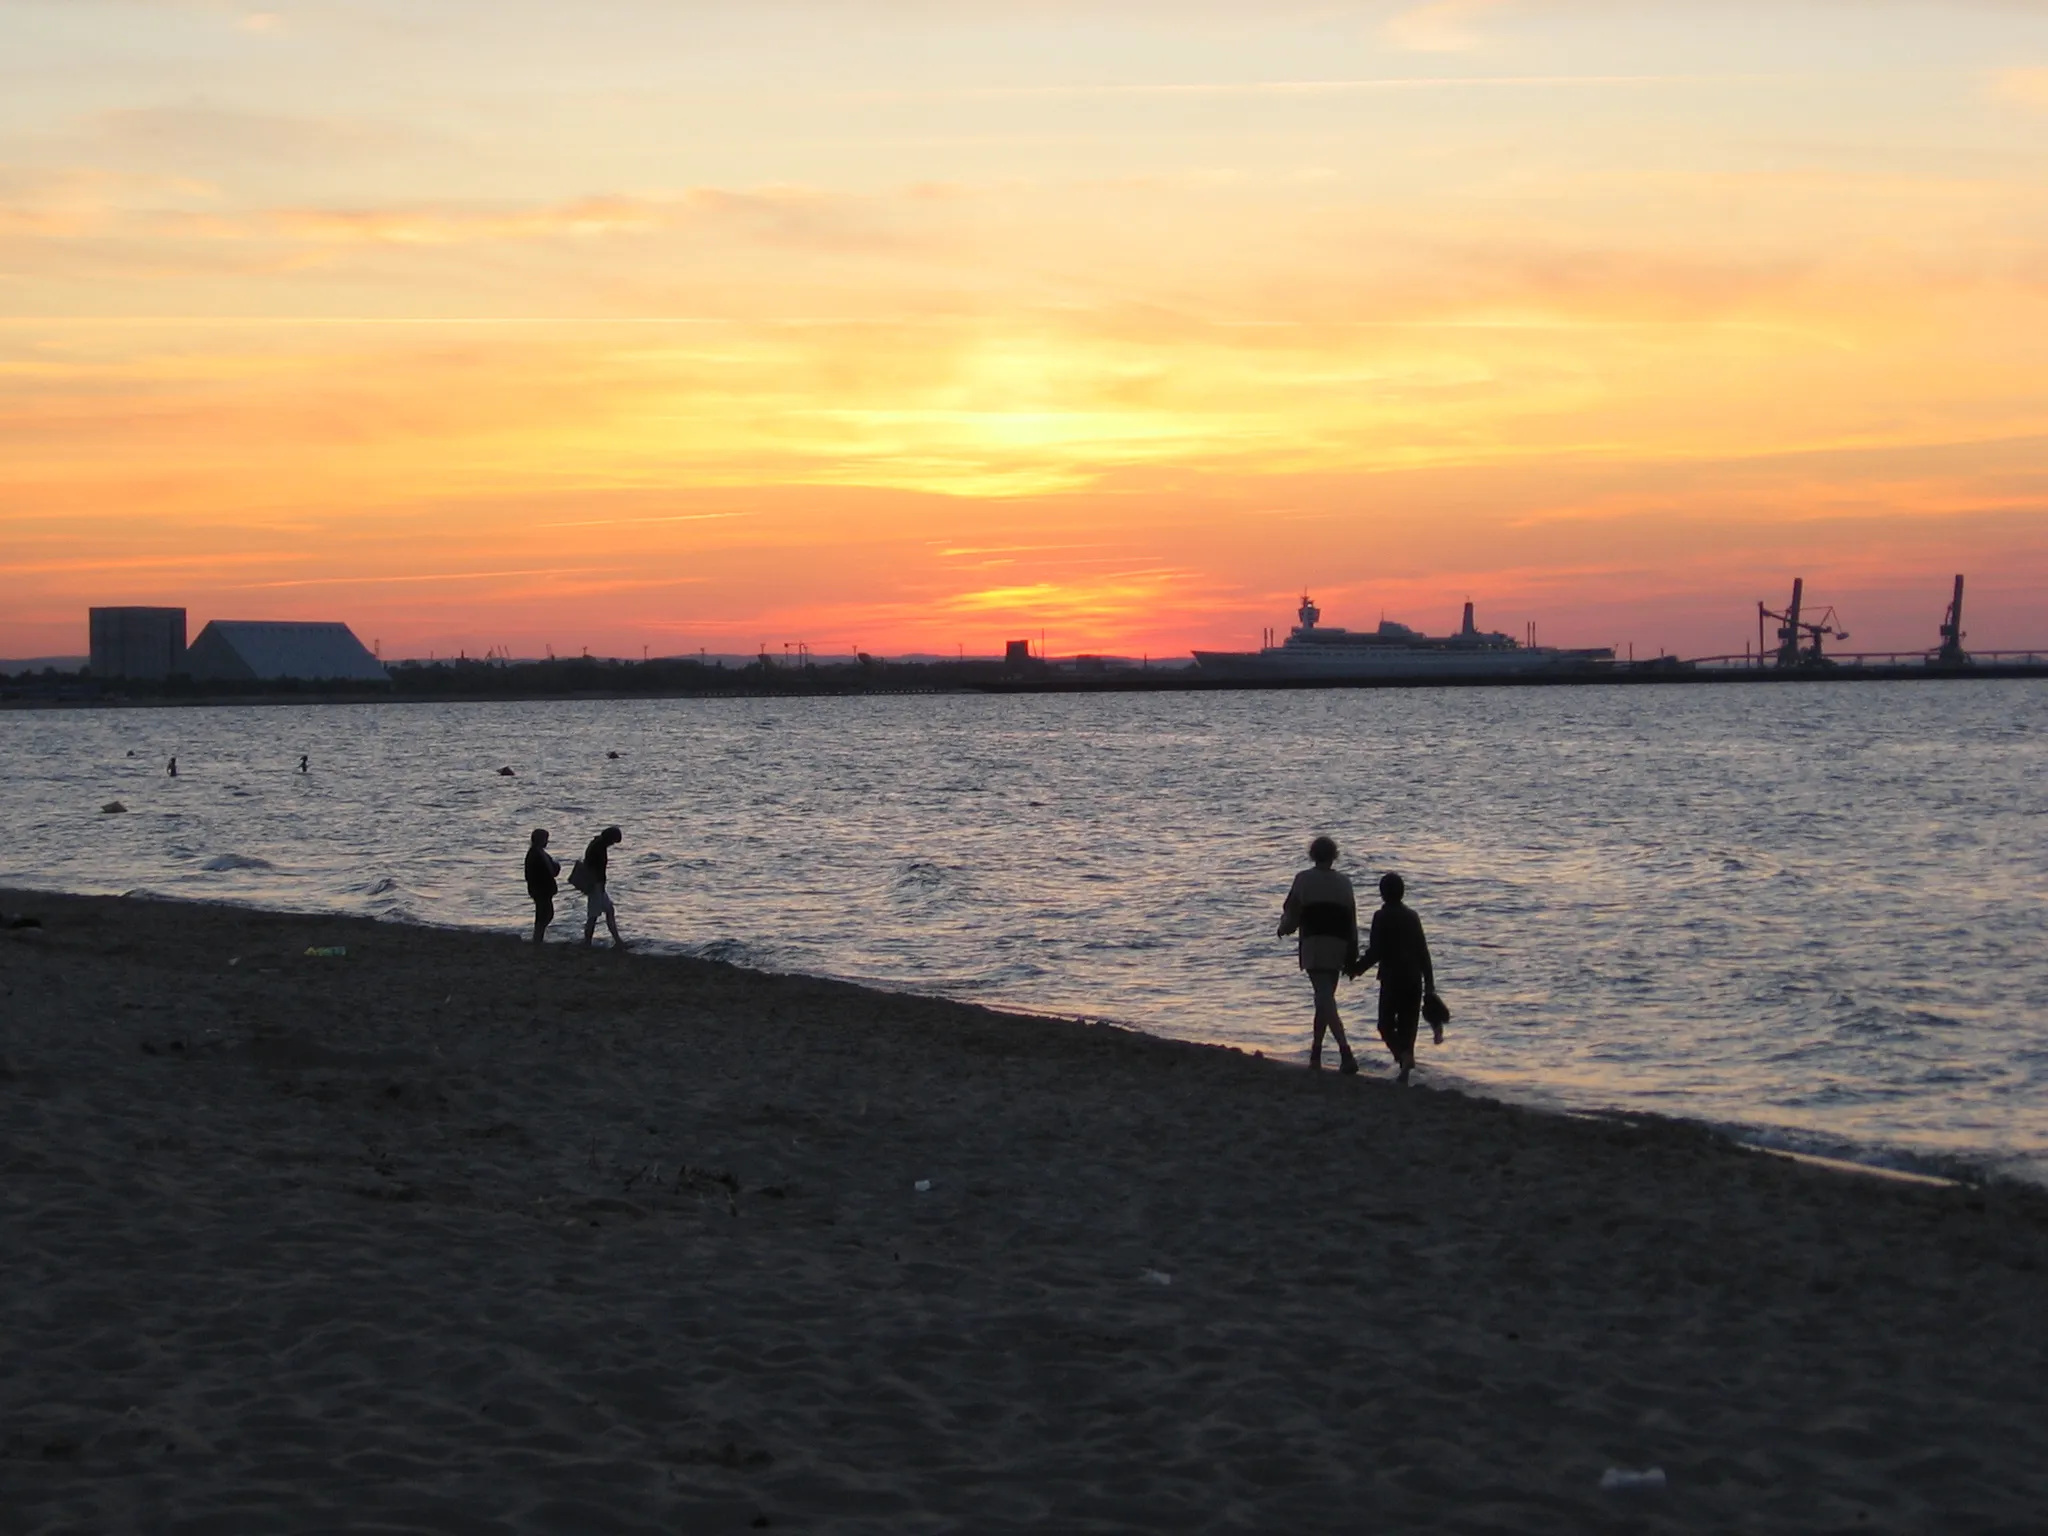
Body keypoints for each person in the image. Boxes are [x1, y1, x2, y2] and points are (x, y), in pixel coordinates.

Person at [1278, 835, 1360, 1074]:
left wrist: (1283, 929)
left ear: (1312, 855)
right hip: (1339, 945)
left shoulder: (1303, 879)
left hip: (1314, 943)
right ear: (1334, 856)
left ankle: (1345, 1052)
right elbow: (1352, 920)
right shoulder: (1344, 882)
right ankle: (1315, 1054)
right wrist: (1352, 952)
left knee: (1324, 998)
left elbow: (1292, 914)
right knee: (1324, 999)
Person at [1350, 872, 1438, 1084]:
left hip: (1392, 978)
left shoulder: (1381, 916)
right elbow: (1423, 952)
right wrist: (1430, 986)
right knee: (1409, 1028)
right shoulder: (1412, 916)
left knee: (1385, 1025)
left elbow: (1376, 950)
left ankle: (1403, 1058)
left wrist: (1357, 968)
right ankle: (1405, 1070)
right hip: (1414, 979)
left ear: (1382, 894)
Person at [579, 824, 627, 949]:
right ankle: (587, 942)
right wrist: (598, 884)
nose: (612, 844)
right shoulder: (599, 847)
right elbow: (594, 867)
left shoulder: (596, 844)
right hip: (595, 885)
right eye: (613, 841)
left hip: (598, 885)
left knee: (608, 910)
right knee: (593, 915)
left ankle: (617, 941)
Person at [524, 828, 560, 946]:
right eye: (545, 839)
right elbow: (550, 871)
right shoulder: (536, 854)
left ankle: (538, 938)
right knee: (545, 914)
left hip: (540, 889)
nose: (547, 842)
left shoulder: (536, 853)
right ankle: (537, 938)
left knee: (545, 914)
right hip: (540, 889)